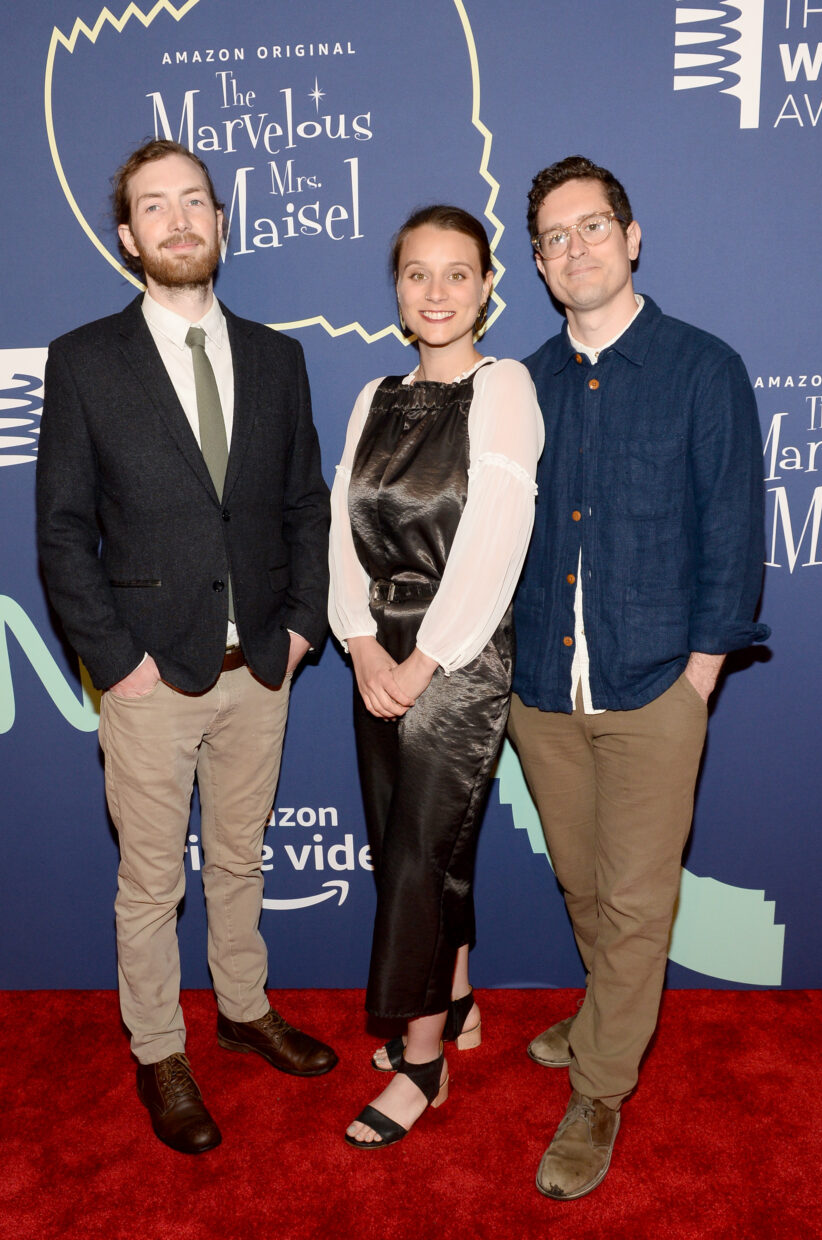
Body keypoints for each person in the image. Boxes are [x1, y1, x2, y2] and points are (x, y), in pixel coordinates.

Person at [36, 139, 336, 1156]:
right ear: (128, 236)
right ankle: (159, 1048)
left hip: (262, 667)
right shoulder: (85, 360)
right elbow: (63, 531)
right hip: (149, 675)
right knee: (151, 882)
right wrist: (116, 661)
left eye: (194, 201)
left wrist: (301, 627)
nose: (178, 220)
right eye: (154, 206)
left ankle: (243, 1009)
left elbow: (304, 504)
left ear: (221, 220)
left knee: (242, 859)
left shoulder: (279, 358)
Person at [507, 155, 769, 1200]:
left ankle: (601, 1088)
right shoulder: (521, 385)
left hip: (657, 681)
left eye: (591, 226)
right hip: (542, 687)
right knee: (581, 881)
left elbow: (732, 531)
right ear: (538, 264)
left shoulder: (703, 368)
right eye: (554, 237)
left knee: (634, 894)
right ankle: (607, 1011)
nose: (574, 248)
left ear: (631, 236)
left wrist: (699, 672)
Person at [329, 205, 543, 1148]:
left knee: (420, 858)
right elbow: (338, 529)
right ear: (396, 289)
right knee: (408, 851)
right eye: (417, 273)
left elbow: (495, 537)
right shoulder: (373, 395)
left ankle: (423, 1063)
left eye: (458, 273)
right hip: (378, 653)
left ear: (487, 286)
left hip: (457, 655)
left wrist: (424, 659)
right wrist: (359, 641)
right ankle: (453, 999)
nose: (436, 291)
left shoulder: (505, 387)